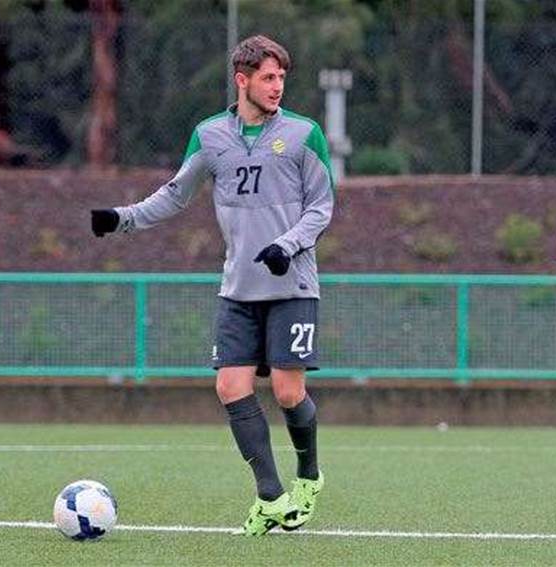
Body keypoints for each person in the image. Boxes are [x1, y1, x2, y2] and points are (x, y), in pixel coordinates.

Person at [90, 35, 334, 536]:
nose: (277, 86)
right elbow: (175, 195)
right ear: (241, 80)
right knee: (229, 386)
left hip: (292, 286)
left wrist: (286, 246)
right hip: (238, 291)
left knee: (289, 393)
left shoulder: (305, 134)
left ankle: (309, 475)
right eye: (268, 77)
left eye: (282, 77)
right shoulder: (210, 136)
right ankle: (271, 496)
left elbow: (321, 207)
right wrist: (122, 218)